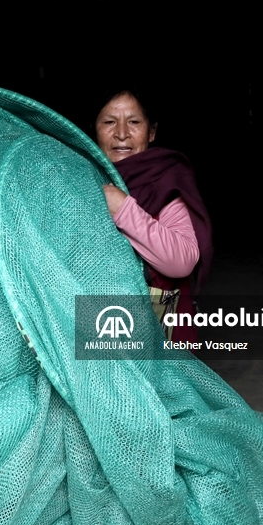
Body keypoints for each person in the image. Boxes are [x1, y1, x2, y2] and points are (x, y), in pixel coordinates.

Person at [95, 89, 213, 341]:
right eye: (109, 122)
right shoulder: (76, 180)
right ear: (93, 129)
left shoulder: (165, 182)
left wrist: (123, 209)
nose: (122, 134)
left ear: (152, 132)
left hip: (157, 333)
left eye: (134, 122)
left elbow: (182, 261)